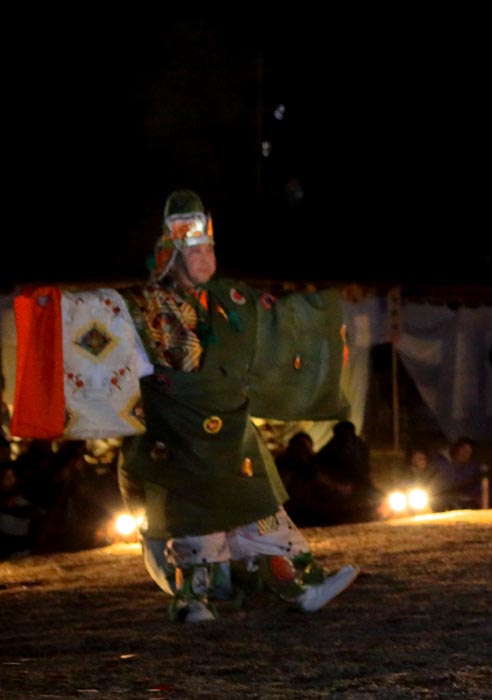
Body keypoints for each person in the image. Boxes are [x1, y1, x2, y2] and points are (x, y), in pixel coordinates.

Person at [117, 189, 358, 621]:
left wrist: (320, 312)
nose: (207, 257)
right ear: (172, 256)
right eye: (196, 251)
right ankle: (194, 601)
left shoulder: (230, 299)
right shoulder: (145, 306)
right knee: (195, 523)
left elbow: (277, 323)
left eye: (210, 247)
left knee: (262, 509)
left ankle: (302, 587)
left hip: (232, 430)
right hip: (178, 434)